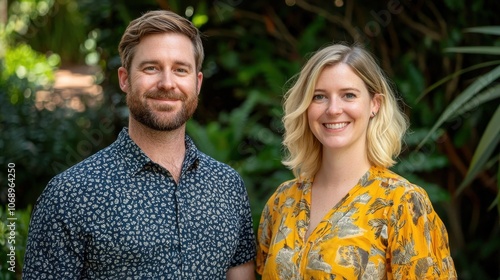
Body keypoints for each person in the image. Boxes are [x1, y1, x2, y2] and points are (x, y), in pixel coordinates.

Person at [23, 10, 256, 279]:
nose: (167, 83)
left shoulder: (228, 186)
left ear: (197, 82)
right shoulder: (70, 194)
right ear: (124, 78)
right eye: (151, 68)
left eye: (180, 70)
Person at [256, 43, 457, 279]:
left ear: (375, 104)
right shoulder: (282, 201)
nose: (333, 109)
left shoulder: (402, 203)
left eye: (348, 95)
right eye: (319, 96)